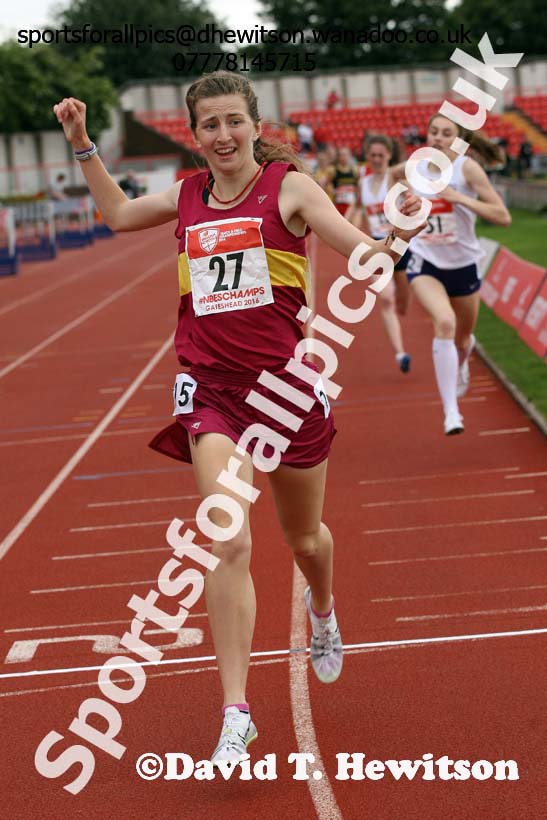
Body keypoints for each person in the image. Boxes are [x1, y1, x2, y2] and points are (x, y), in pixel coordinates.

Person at [53, 72, 423, 767]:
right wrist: (82, 147)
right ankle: (235, 712)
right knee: (225, 540)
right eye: (208, 126)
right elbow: (119, 215)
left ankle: (321, 606)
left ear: (255, 125)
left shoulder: (290, 187)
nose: (222, 136)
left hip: (286, 394)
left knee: (304, 537)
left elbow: (363, 256)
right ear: (194, 136)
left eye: (232, 122)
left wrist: (395, 235)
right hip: (210, 389)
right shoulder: (188, 195)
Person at [391, 114, 511, 435]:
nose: (438, 138)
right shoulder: (414, 167)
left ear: (457, 140)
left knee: (463, 336)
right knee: (444, 322)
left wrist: (457, 198)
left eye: (447, 134)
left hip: (463, 265)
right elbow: (393, 180)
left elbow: (503, 216)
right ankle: (451, 412)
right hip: (426, 261)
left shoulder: (466, 169)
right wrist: (404, 206)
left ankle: (462, 360)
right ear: (426, 136)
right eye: (434, 132)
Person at [358, 135, 411, 373]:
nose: (377, 159)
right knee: (386, 298)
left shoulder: (395, 178)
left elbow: (413, 167)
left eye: (381, 155)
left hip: (401, 246)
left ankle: (403, 300)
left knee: (402, 301)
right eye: (373, 155)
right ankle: (401, 353)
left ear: (389, 155)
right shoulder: (363, 183)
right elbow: (358, 208)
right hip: (378, 248)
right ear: (367, 156)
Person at [331, 146, 359, 221]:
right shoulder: (332, 170)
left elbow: (358, 187)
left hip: (351, 204)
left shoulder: (355, 170)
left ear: (350, 156)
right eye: (341, 155)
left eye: (345, 155)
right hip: (338, 205)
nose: (343, 157)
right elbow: (324, 184)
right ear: (338, 157)